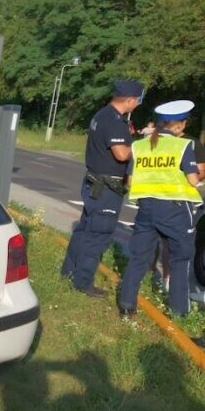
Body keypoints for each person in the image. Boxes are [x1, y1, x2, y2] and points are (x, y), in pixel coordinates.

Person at [117, 100, 202, 319]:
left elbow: (129, 181)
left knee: (138, 257)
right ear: (180, 126)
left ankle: (126, 306)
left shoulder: (140, 145)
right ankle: (179, 313)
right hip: (175, 210)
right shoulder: (183, 146)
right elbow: (193, 180)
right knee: (180, 260)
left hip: (146, 209)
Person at [61, 79, 144, 296]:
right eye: (137, 101)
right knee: (98, 234)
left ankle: (68, 273)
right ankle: (83, 282)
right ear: (130, 100)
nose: (137, 104)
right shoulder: (115, 122)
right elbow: (121, 154)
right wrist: (143, 146)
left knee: (83, 231)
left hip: (94, 182)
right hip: (106, 188)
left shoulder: (102, 114)